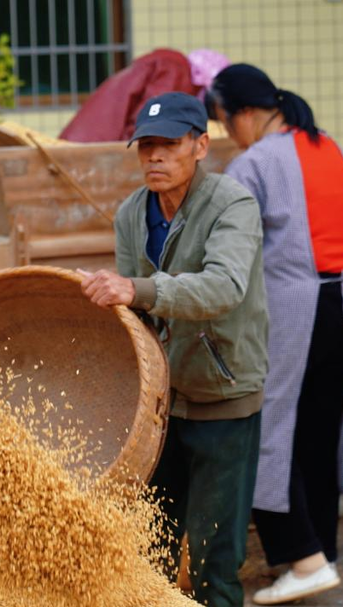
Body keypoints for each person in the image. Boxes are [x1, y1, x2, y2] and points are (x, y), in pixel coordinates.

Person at [79, 91, 269, 607]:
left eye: (169, 145)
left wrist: (135, 289)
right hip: (158, 407)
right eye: (146, 146)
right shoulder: (131, 214)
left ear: (201, 145)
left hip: (221, 393)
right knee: (151, 549)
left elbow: (223, 287)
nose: (155, 157)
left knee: (215, 559)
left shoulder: (232, 205)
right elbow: (135, 311)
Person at [206, 64, 343, 605]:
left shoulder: (254, 163)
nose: (228, 133)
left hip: (300, 310)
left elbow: (230, 248)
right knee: (320, 433)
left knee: (266, 434)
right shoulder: (335, 150)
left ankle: (302, 558)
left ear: (246, 114)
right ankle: (321, 551)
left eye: (225, 121)